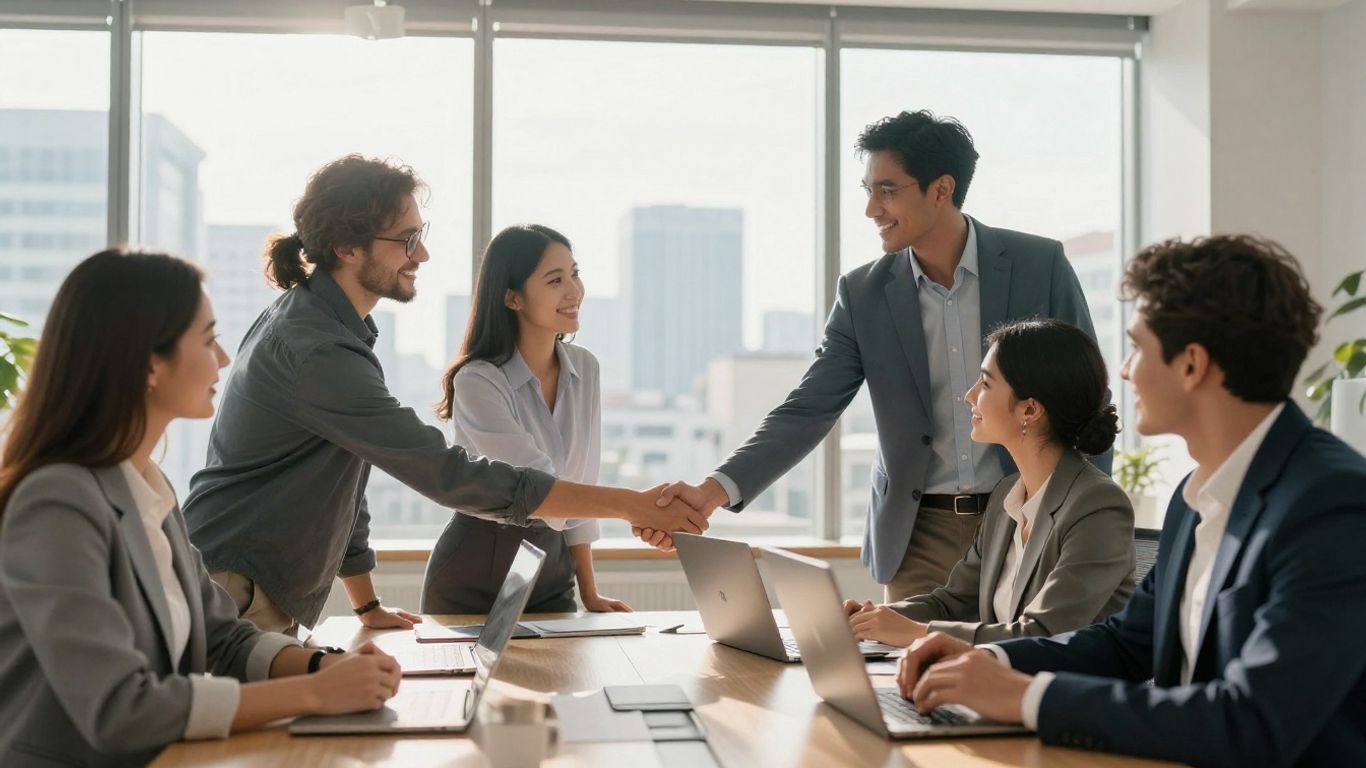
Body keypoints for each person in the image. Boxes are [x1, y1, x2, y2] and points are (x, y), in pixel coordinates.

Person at [895, 235, 1366, 767]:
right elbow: (1125, 644)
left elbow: (1253, 721)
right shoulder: (1194, 500)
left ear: (1192, 365)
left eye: (1138, 346)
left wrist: (1026, 697)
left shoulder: (1332, 504)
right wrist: (989, 658)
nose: (1123, 370)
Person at [183, 155, 703, 635]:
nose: (423, 253)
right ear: (347, 247)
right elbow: (449, 473)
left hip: (245, 577)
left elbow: (346, 479)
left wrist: (366, 604)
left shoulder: (326, 326)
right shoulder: (319, 350)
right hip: (239, 583)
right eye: (406, 240)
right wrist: (635, 505)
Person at [643, 110, 1106, 601]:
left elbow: (1087, 394)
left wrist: (1088, 513)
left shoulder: (1039, 265)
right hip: (916, 534)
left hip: (1028, 516)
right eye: (868, 190)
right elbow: (809, 408)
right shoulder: (863, 293)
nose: (871, 209)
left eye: (887, 191)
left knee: (1021, 663)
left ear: (941, 189)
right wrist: (711, 493)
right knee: (907, 673)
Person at [0, 250, 403, 766]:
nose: (223, 358)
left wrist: (324, 667)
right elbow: (120, 708)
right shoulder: (55, 502)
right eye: (207, 338)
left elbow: (224, 636)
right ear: (150, 362)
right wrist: (316, 696)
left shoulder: (144, 485)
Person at [843, 318, 1133, 647]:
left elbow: (1044, 635)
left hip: (1063, 693)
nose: (969, 396)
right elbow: (952, 604)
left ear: (1030, 409)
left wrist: (915, 633)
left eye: (984, 383)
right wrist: (874, 619)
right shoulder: (1006, 497)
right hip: (997, 686)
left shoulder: (1097, 505)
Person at [423, 225, 630, 614]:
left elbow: (581, 483)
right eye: (555, 280)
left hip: (551, 569)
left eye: (575, 273)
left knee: (564, 675)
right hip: (477, 567)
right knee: (468, 676)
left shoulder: (585, 367)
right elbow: (539, 486)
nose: (574, 291)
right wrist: (636, 505)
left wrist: (589, 592)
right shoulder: (478, 379)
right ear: (512, 297)